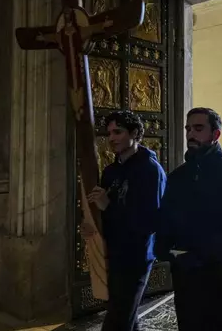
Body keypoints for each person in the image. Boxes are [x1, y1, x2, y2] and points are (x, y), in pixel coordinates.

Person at [154, 107, 222, 330]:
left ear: (215, 135)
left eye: (198, 128)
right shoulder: (178, 177)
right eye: (188, 129)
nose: (190, 134)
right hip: (187, 282)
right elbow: (166, 221)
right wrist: (166, 250)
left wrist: (207, 254)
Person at [80, 110, 166, 331]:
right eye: (109, 133)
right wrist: (92, 227)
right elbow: (104, 213)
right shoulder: (110, 171)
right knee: (125, 316)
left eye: (118, 132)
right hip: (112, 253)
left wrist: (109, 205)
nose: (111, 138)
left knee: (117, 320)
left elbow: (149, 222)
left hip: (135, 257)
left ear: (135, 133)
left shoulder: (150, 170)